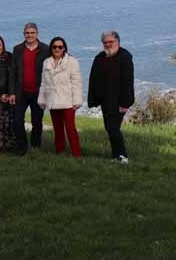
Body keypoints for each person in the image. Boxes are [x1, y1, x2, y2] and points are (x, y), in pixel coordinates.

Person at [88, 31, 134, 164]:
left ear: (118, 42)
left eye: (111, 42)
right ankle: (116, 156)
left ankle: (122, 156)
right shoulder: (100, 57)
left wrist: (126, 103)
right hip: (105, 100)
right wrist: (93, 99)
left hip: (119, 101)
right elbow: (93, 79)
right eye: (105, 42)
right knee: (110, 128)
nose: (108, 45)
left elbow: (128, 81)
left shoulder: (125, 57)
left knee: (113, 128)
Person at [38, 37, 83, 158]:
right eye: (54, 47)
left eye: (60, 47)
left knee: (70, 128)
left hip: (67, 101)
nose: (57, 49)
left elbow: (77, 82)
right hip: (52, 101)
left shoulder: (72, 62)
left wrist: (77, 101)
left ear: (64, 48)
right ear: (51, 48)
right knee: (57, 129)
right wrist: (41, 100)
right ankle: (60, 152)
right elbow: (43, 83)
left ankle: (77, 154)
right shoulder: (46, 62)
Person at [12, 22, 50, 155]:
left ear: (37, 34)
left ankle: (35, 145)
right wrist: (12, 93)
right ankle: (22, 145)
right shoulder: (17, 49)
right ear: (24, 34)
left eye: (32, 33)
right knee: (17, 120)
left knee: (37, 121)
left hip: (39, 92)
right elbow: (13, 72)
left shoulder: (46, 49)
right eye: (27, 33)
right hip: (21, 92)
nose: (30, 35)